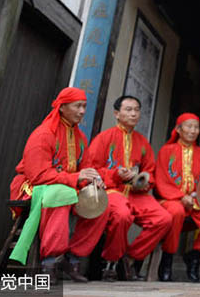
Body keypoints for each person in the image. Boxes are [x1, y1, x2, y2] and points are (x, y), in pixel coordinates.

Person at [8, 86, 106, 283]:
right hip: (33, 186)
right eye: (78, 106)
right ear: (62, 107)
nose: (82, 111)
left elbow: (85, 168)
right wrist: (75, 178)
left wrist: (93, 179)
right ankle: (50, 262)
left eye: (84, 106)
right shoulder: (44, 134)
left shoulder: (80, 137)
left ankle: (72, 257)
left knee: (101, 202)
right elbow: (38, 175)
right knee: (61, 195)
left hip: (65, 186)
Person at [71, 95, 172, 281]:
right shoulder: (104, 138)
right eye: (128, 110)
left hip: (134, 193)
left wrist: (142, 181)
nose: (134, 114)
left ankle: (129, 257)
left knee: (163, 219)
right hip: (111, 190)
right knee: (122, 215)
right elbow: (90, 169)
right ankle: (111, 262)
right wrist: (115, 175)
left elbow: (150, 172)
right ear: (117, 114)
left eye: (137, 110)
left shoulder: (142, 142)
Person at [155, 112, 200, 282]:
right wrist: (180, 196)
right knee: (176, 211)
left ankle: (194, 256)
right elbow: (162, 180)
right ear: (178, 129)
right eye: (189, 126)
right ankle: (167, 260)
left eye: (196, 127)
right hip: (171, 199)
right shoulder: (166, 151)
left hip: (195, 202)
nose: (193, 130)